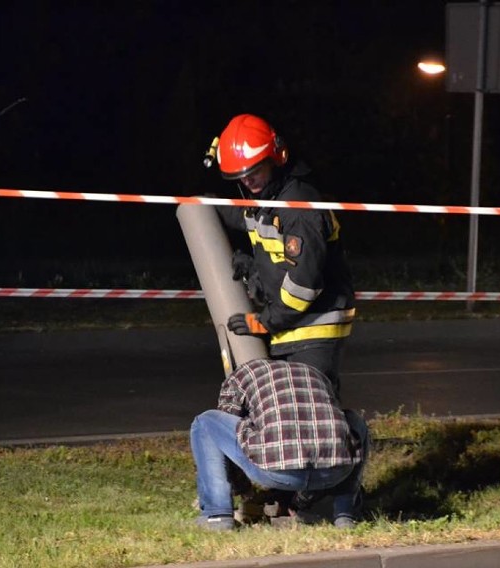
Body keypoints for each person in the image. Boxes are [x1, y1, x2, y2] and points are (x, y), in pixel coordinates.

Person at [211, 114, 355, 395]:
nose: (248, 181)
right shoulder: (267, 201)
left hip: (315, 327)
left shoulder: (298, 207)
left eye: (254, 172)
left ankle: (352, 437)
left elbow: (303, 285)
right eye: (241, 177)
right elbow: (244, 221)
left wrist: (264, 321)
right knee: (293, 409)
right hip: (289, 326)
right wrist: (203, 203)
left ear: (275, 160)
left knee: (310, 406)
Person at [190, 358, 369, 531]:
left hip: (275, 472)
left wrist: (244, 490)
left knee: (206, 423)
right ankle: (345, 514)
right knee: (354, 420)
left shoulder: (240, 376)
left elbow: (225, 438)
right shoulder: (315, 374)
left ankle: (217, 516)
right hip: (334, 473)